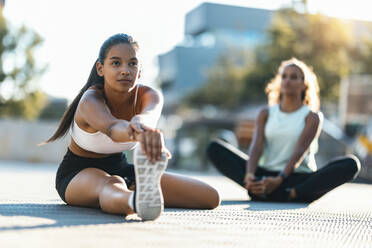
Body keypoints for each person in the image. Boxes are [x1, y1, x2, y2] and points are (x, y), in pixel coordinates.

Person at [45, 33, 220, 220]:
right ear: (100, 68)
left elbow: (148, 118)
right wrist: (137, 133)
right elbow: (113, 129)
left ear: (140, 70)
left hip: (122, 168)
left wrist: (142, 126)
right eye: (116, 63)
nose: (125, 70)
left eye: (132, 63)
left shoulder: (150, 95)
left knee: (209, 197)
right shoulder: (90, 101)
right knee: (112, 183)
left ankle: (140, 191)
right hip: (77, 174)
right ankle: (136, 202)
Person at [207, 58, 360, 202]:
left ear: (304, 84)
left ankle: (289, 193)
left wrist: (280, 179)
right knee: (214, 148)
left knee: (351, 164)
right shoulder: (265, 113)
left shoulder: (312, 117)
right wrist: (249, 175)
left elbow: (299, 151)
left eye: (294, 77)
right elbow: (256, 146)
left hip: (297, 178)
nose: (287, 80)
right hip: (264, 175)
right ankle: (260, 188)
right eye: (284, 76)